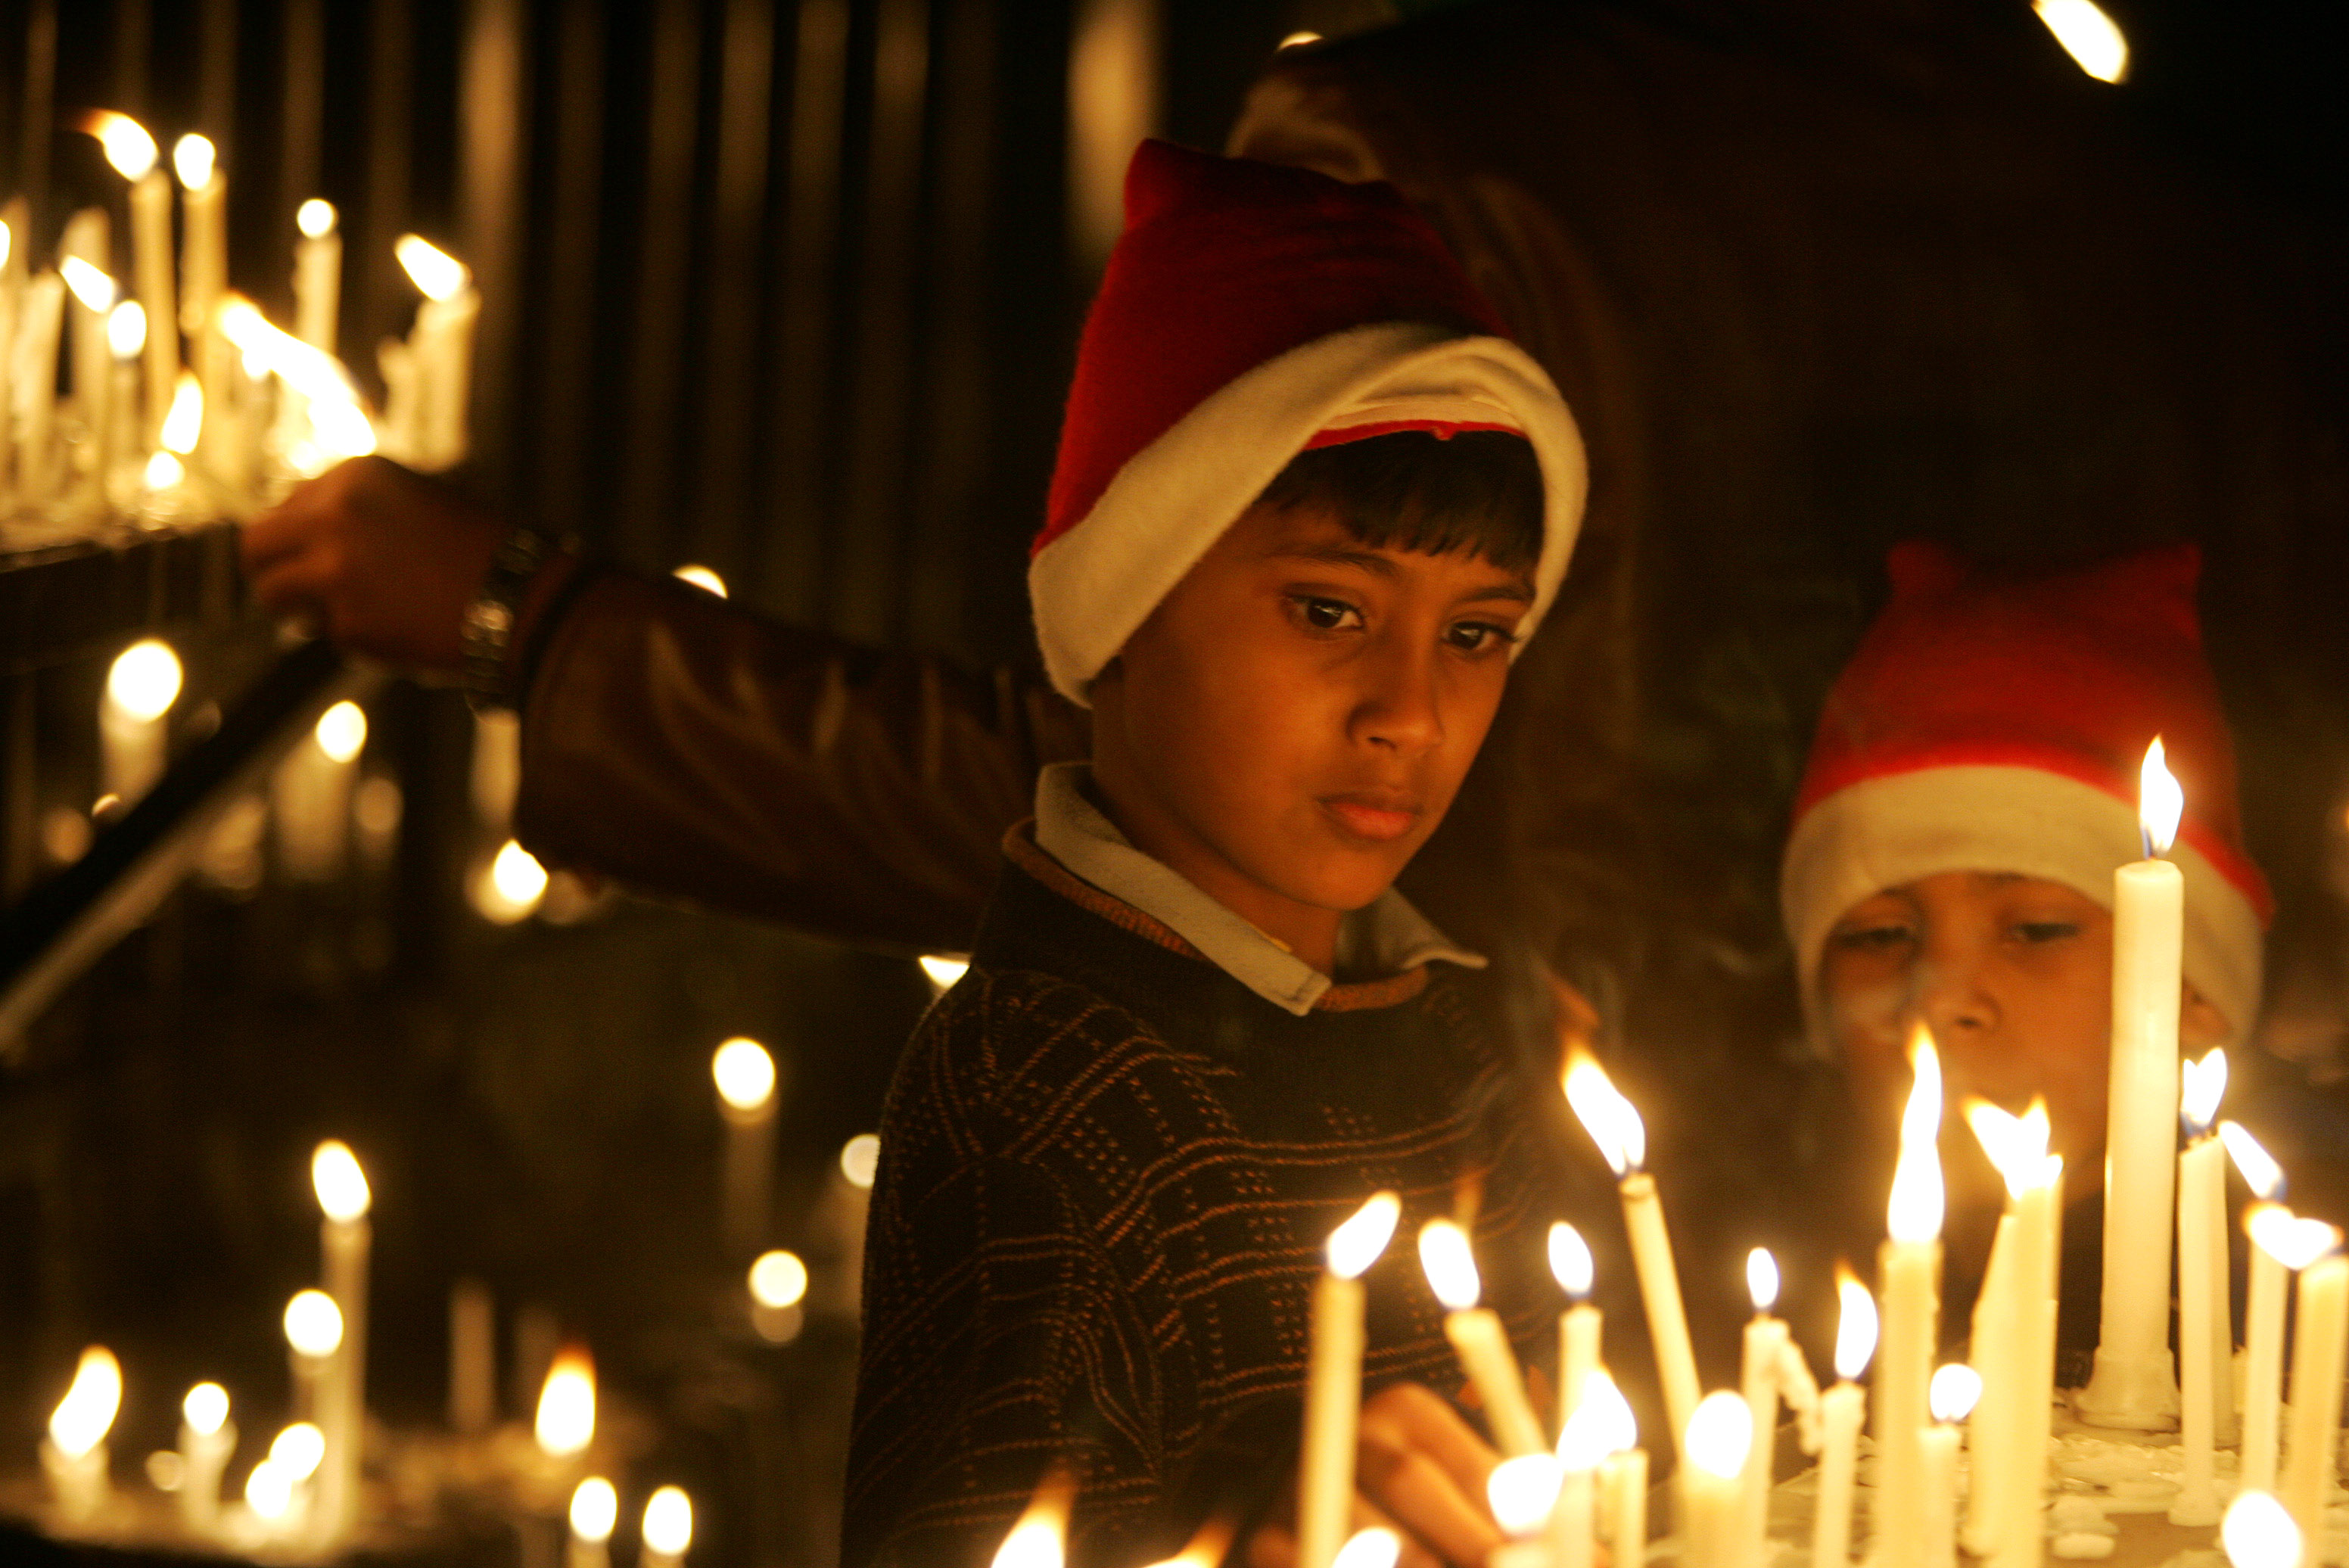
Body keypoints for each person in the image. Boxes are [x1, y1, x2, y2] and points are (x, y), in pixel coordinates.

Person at [838, 142, 1599, 1568]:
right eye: (1325, 611)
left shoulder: (1456, 1041)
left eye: (1476, 634)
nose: (1408, 712)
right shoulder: (1036, 1097)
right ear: (1121, 604)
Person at [1779, 540, 2273, 1312]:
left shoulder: (2267, 1332)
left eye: (2036, 929)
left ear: (2193, 995)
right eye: (1877, 934)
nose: (1938, 999)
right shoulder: (1771, 1307)